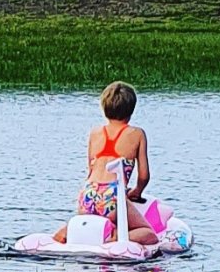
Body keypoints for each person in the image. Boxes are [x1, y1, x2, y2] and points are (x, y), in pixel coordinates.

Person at [55, 81, 158, 246]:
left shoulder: (95, 132)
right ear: (131, 110)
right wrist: (136, 192)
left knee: (82, 223)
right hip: (112, 196)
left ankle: (63, 235)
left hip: (88, 193)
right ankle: (113, 238)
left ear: (104, 108)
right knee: (149, 235)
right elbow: (144, 176)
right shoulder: (137, 134)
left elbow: (91, 168)